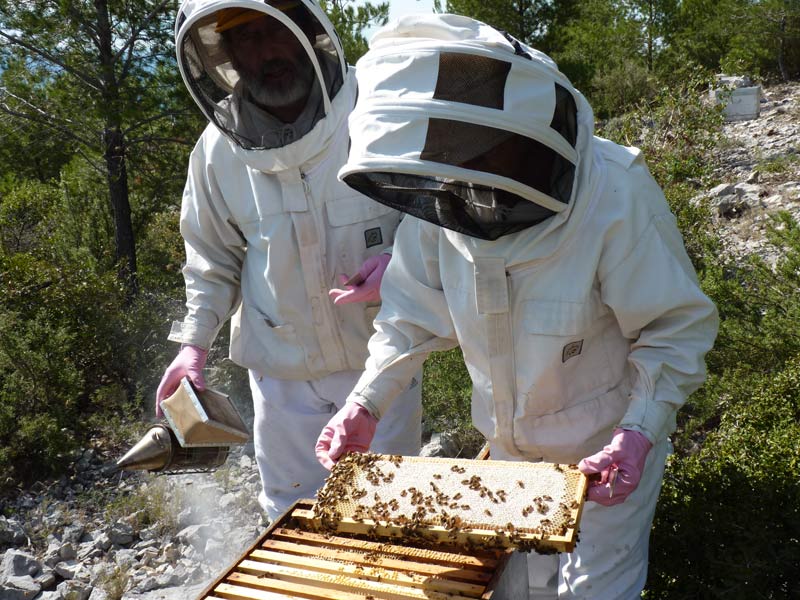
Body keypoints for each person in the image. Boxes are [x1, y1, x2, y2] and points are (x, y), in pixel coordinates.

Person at [315, 13, 719, 599]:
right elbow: (406, 318)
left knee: (595, 593)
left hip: (609, 450)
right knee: (520, 589)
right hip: (509, 455)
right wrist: (365, 403)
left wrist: (639, 431)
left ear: (513, 133)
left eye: (477, 154)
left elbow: (675, 329)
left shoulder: (616, 193)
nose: (466, 174)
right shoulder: (445, 190)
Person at [156, 0, 423, 522]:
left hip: (380, 358)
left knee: (389, 513)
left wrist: (401, 261)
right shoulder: (216, 152)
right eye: (246, 38)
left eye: (273, 31)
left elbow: (432, 216)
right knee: (292, 514)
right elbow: (211, 257)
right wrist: (193, 345)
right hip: (280, 373)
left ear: (305, 32)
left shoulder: (376, 113)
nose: (266, 52)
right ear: (227, 57)